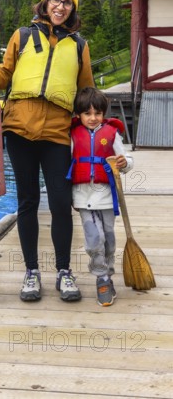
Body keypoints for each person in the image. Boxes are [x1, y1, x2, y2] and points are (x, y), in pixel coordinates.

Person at [0, 0, 94, 302]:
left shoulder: (79, 46)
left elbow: (86, 94)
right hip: (19, 131)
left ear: (72, 10)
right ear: (45, 2)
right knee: (27, 201)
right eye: (56, 0)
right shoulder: (22, 36)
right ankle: (31, 272)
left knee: (60, 203)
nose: (60, 6)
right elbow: (2, 77)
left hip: (56, 133)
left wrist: (98, 130)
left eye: (67, 3)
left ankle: (64, 272)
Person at [67, 87, 133, 306]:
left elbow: (126, 160)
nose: (93, 118)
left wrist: (125, 163)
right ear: (79, 115)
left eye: (97, 113)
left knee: (108, 239)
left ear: (104, 114)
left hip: (105, 196)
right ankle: (101, 278)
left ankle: (109, 273)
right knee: (94, 239)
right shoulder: (73, 135)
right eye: (88, 113)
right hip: (83, 197)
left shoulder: (112, 134)